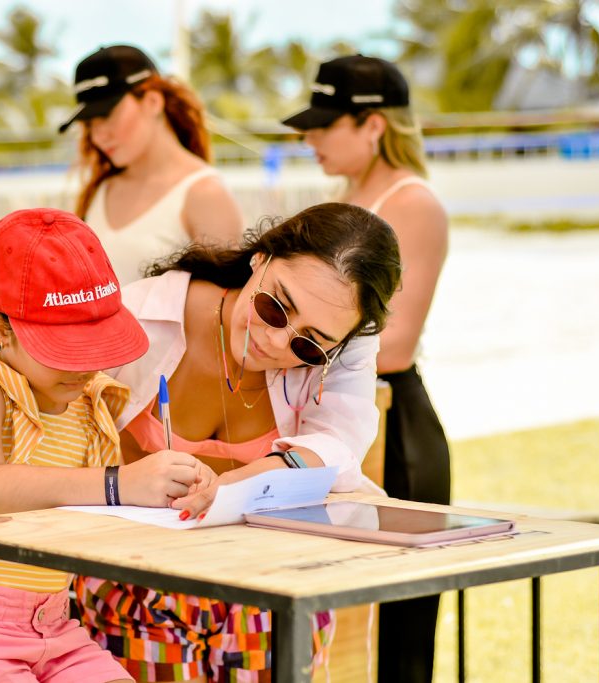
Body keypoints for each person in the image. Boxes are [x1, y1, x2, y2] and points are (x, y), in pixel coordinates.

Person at [74, 202, 402, 683]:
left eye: (308, 344)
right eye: (274, 307)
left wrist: (232, 488)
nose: (275, 341)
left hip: (267, 582)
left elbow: (339, 447)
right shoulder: (141, 313)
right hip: (137, 577)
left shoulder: (343, 347)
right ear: (260, 258)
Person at [0, 208, 215, 683]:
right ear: (0, 328)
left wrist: (172, 486)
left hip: (54, 624)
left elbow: (101, 506)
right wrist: (121, 483)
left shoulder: (87, 401)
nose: (85, 365)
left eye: (95, 343)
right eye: (66, 347)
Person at [282, 54, 450, 683]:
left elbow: (397, 342)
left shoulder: (412, 202)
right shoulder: (341, 201)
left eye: (326, 124)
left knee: (400, 631)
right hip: (340, 416)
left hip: (394, 424)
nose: (310, 137)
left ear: (374, 125)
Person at [58, 44, 243, 285]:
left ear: (153, 102)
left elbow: (222, 314)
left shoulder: (205, 194)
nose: (97, 136)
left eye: (105, 115)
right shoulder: (101, 189)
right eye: (90, 123)